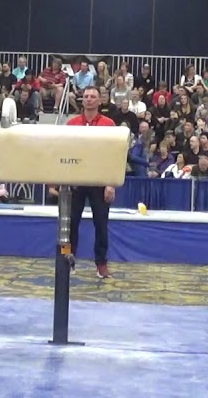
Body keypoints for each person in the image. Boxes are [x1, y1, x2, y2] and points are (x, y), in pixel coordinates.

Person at [59, 85, 116, 279]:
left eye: (93, 96)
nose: (89, 99)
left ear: (100, 101)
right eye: (86, 96)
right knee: (68, 224)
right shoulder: (72, 124)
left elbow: (113, 156)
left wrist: (110, 183)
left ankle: (101, 263)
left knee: (101, 225)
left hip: (99, 181)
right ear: (82, 100)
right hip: (75, 180)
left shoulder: (109, 124)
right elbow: (65, 153)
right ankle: (66, 259)